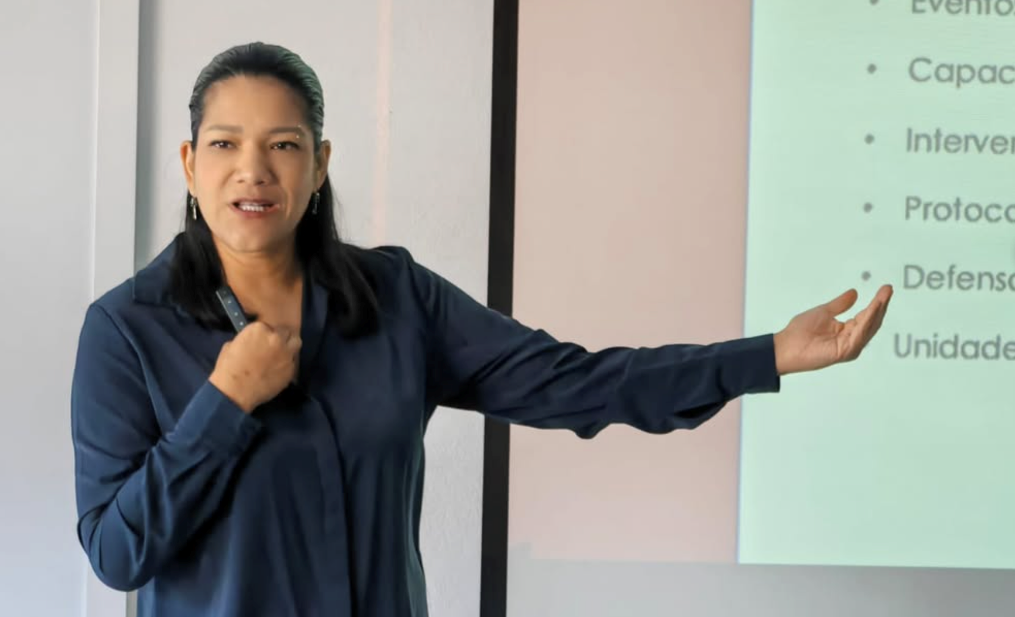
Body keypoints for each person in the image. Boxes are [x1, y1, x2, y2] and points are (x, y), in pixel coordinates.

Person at [70, 42, 892, 617]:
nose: (252, 169)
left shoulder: (397, 298)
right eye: (225, 144)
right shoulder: (125, 330)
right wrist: (224, 402)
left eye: (282, 144)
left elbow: (576, 381)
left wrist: (767, 355)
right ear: (191, 164)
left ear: (319, 164)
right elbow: (116, 551)